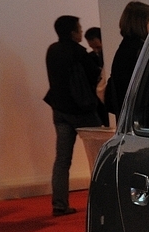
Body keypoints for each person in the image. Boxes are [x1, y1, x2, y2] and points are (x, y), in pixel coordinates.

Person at [43, 15, 104, 217]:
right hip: (83, 111)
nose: (81, 31)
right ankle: (104, 200)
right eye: (79, 28)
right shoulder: (79, 52)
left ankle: (59, 203)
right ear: (72, 33)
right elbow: (94, 75)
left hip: (60, 111)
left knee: (62, 159)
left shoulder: (52, 51)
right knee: (99, 156)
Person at [104, 1, 149, 120]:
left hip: (127, 119)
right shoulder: (138, 50)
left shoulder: (126, 47)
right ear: (141, 22)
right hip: (138, 120)